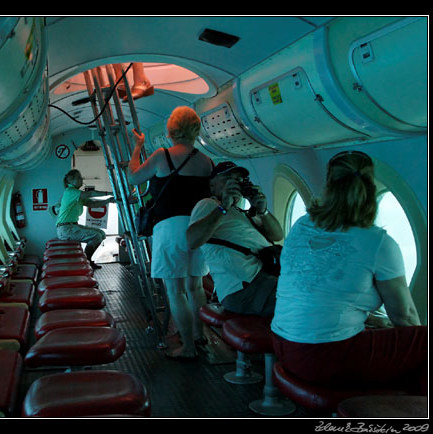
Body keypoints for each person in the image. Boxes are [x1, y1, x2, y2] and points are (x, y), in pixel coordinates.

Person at [270, 151, 427, 394]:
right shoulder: (378, 242)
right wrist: (413, 346)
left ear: (329, 185)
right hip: (323, 355)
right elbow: (404, 316)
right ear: (371, 188)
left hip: (282, 344)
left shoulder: (302, 224)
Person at [127, 106, 213, 359]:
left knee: (175, 291)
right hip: (199, 226)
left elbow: (133, 177)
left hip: (170, 228)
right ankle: (200, 335)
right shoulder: (206, 161)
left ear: (170, 130)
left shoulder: (162, 155)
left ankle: (187, 347)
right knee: (196, 287)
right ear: (196, 130)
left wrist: (137, 147)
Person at [186, 161, 284, 317]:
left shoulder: (242, 212)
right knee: (304, 299)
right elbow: (192, 240)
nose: (234, 183)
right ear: (212, 185)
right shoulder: (208, 204)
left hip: (265, 278)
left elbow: (278, 235)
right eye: (227, 178)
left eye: (238, 180)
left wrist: (263, 211)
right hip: (245, 287)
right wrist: (223, 207)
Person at [56, 169, 115, 270]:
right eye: (79, 177)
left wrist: (108, 200)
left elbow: (92, 204)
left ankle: (86, 260)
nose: (81, 179)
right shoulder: (71, 192)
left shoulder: (76, 194)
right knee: (96, 236)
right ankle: (85, 262)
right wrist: (110, 192)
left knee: (101, 233)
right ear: (71, 181)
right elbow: (91, 194)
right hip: (66, 229)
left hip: (71, 227)